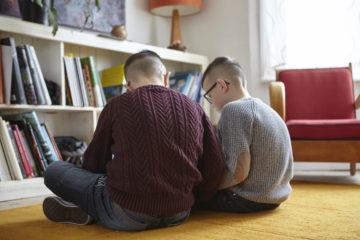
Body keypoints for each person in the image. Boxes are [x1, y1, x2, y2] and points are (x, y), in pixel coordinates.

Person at [42, 50, 226, 231]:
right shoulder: (195, 108)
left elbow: (93, 164)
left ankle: (93, 209)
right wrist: (192, 202)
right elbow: (215, 167)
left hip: (127, 214)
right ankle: (94, 209)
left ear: (127, 85)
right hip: (179, 213)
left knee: (54, 170)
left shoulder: (116, 105)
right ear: (166, 77)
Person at [200, 56, 293, 213]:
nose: (211, 102)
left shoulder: (233, 110)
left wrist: (206, 186)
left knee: (191, 198)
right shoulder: (271, 112)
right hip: (275, 197)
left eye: (209, 95)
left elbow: (238, 172)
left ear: (222, 86)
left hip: (246, 199)